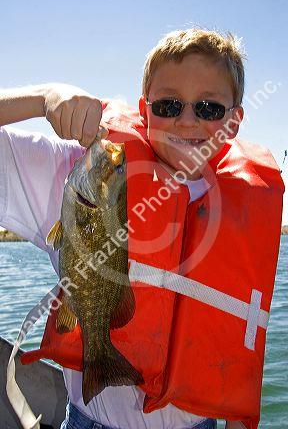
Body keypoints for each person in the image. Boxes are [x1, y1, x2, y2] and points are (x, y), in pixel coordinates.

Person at [0, 28, 284, 429]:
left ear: (234, 121)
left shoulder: (242, 209)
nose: (186, 121)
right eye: (168, 105)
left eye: (208, 108)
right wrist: (45, 97)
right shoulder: (72, 172)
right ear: (144, 107)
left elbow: (238, 350)